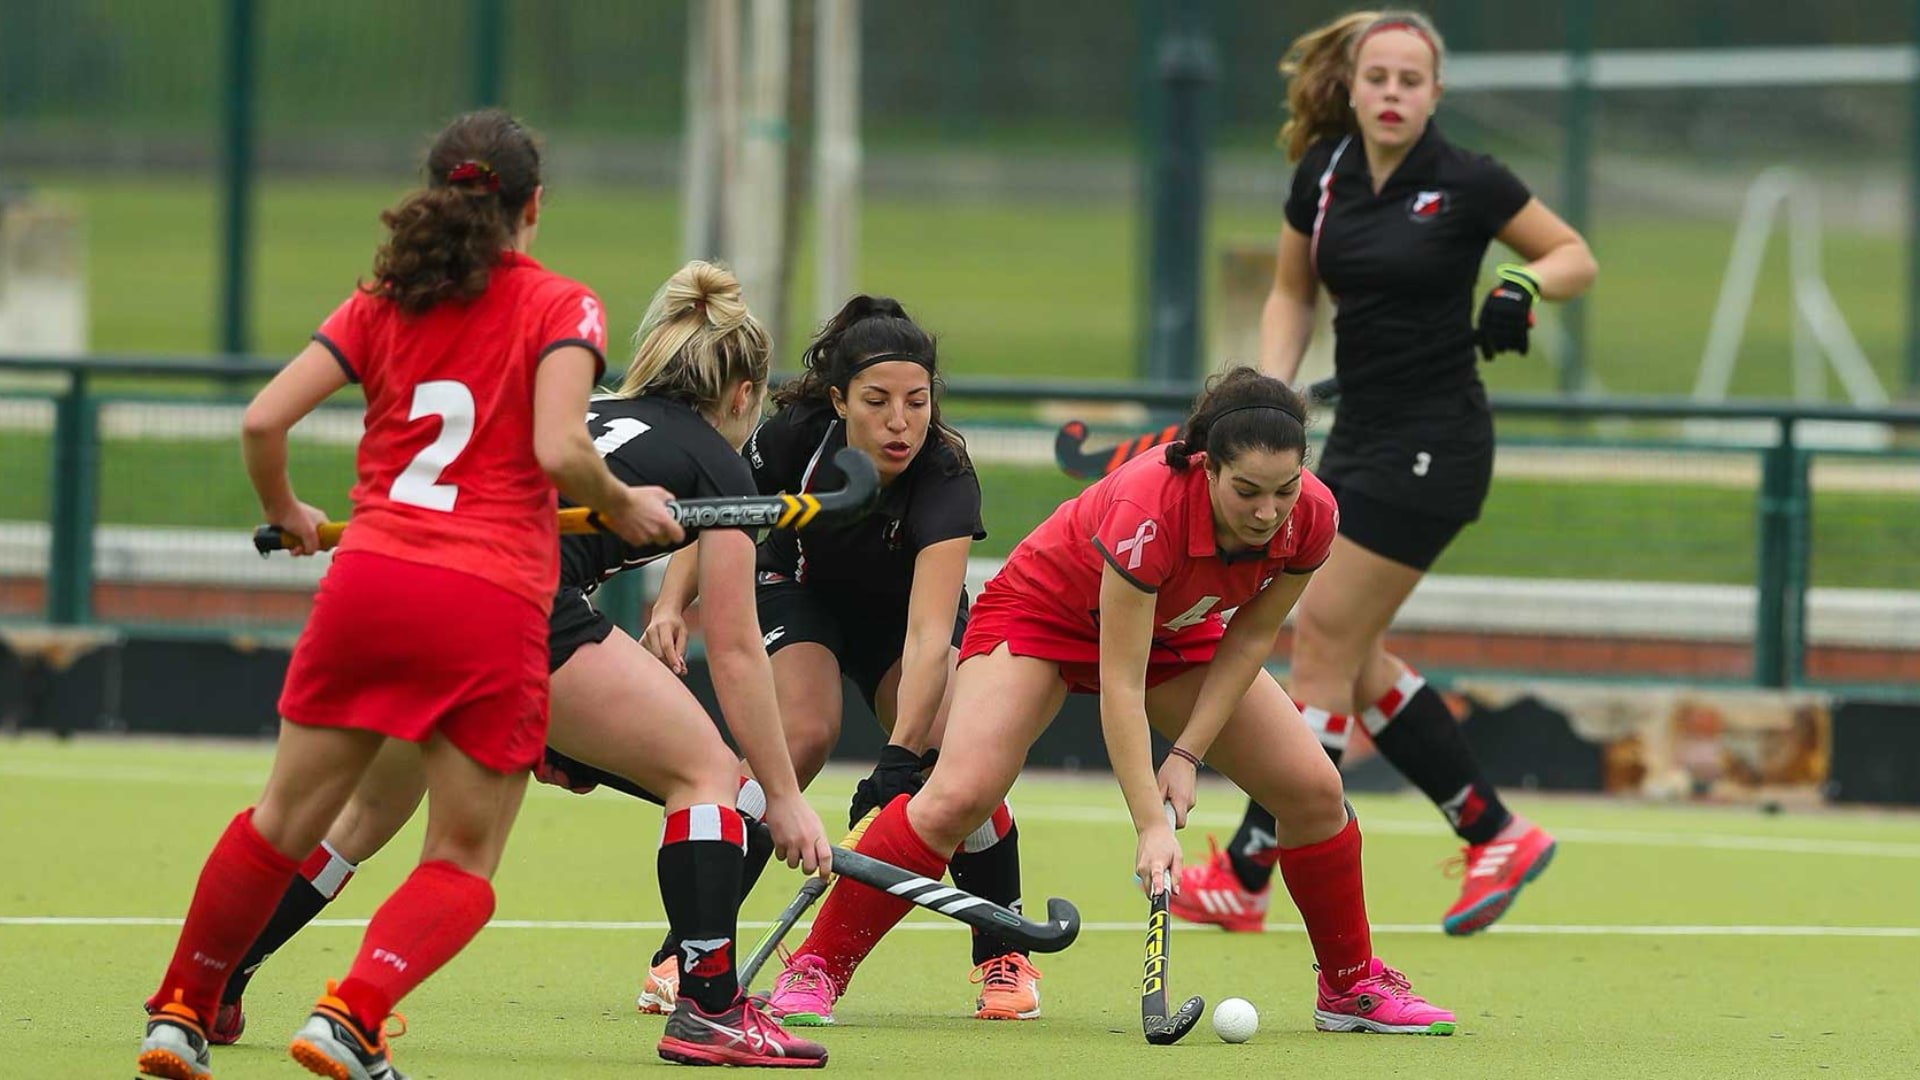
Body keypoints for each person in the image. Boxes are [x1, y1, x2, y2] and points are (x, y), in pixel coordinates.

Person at [135, 110, 689, 1080]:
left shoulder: (382, 299)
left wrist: (292, 512)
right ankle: (351, 1015)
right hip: (486, 601)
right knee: (464, 854)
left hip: (368, 584)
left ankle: (180, 1011)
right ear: (534, 208)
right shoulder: (564, 306)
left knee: (280, 821)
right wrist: (624, 504)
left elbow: (265, 420)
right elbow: (562, 448)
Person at [176, 261, 836, 1069]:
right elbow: (733, 649)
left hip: (426, 591)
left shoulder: (587, 413)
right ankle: (709, 1007)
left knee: (360, 821)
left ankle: (217, 988)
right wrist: (782, 794)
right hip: (520, 608)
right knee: (705, 773)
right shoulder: (720, 463)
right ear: (743, 395)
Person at [766, 368, 1457, 1036]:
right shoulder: (1149, 511)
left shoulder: (1312, 517)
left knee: (1313, 789)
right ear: (1207, 468)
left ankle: (1350, 986)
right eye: (1247, 490)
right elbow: (1119, 684)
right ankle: (818, 968)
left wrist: (1187, 754)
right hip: (1046, 615)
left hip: (1178, 630)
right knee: (958, 795)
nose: (1267, 513)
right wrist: (1150, 823)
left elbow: (1248, 642)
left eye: (1283, 490)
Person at [1173, 10, 1599, 938]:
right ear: (1354, 87)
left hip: (1437, 444)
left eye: (1412, 80)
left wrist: (1519, 285)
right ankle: (1494, 830)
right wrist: (1270, 395)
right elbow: (1293, 291)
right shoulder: (1322, 178)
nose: (1394, 93)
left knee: (1319, 633)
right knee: (1352, 654)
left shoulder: (1469, 180)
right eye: (1379, 78)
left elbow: (1574, 255)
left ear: (1435, 93)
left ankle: (1248, 870)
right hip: (1356, 436)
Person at [642, 295, 1039, 1023]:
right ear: (838, 399)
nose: (900, 422)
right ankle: (690, 945)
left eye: (917, 402)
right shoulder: (793, 437)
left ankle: (1002, 953)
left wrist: (899, 756)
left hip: (903, 622)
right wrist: (671, 604)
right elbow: (718, 518)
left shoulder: (946, 475)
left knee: (956, 755)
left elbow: (926, 637)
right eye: (878, 401)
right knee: (800, 735)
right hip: (802, 592)